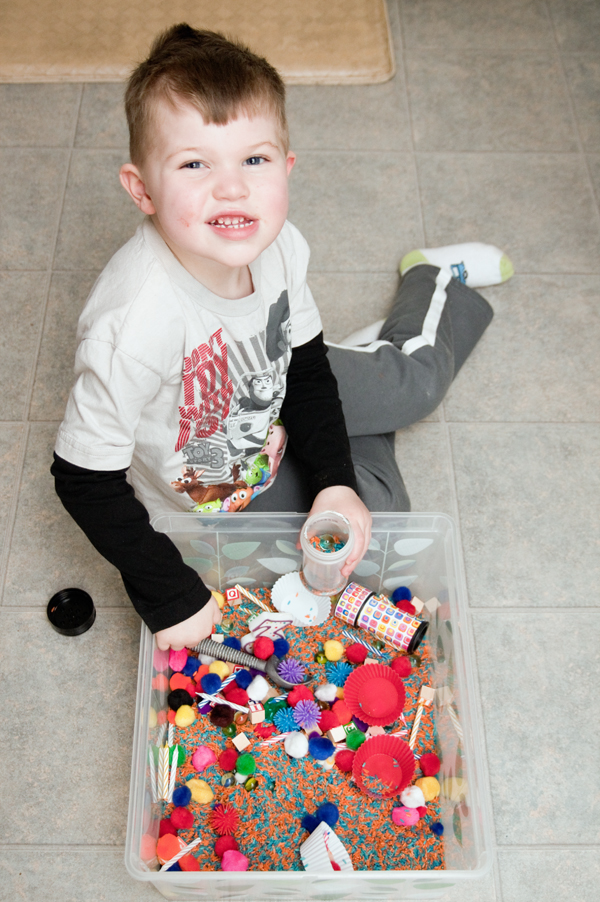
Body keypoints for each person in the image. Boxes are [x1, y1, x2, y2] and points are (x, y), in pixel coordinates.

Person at [52, 25, 511, 653]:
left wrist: (330, 474)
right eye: (194, 164)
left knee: (416, 387)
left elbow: (307, 366)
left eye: (254, 159)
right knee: (367, 522)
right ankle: (367, 376)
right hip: (226, 481)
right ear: (143, 190)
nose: (232, 187)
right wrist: (170, 593)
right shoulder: (132, 324)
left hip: (284, 381)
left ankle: (429, 281)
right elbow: (84, 478)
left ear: (286, 168)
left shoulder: (280, 246)